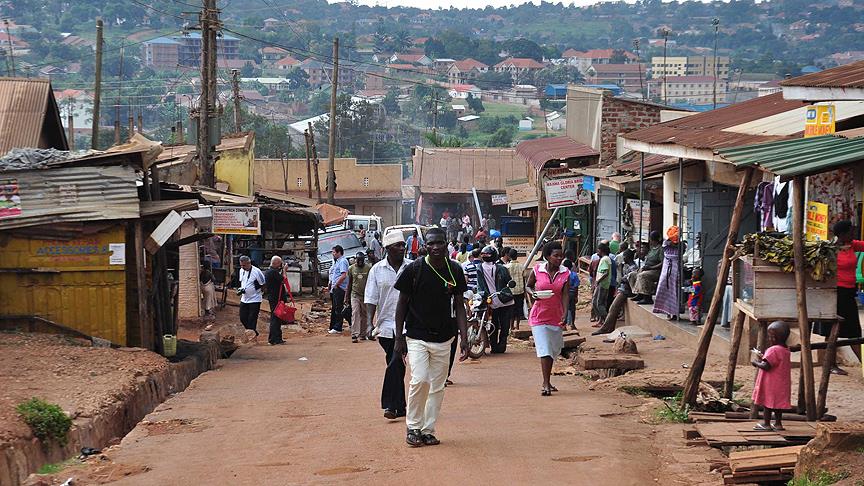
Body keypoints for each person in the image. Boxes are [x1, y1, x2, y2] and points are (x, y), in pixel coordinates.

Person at [394, 227, 469, 447]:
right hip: (416, 335)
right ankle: (413, 427)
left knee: (437, 386)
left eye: (440, 243)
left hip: (445, 338)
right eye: (431, 243)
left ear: (447, 244)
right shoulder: (414, 270)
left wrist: (464, 338)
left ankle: (427, 430)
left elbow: (459, 305)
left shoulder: (454, 270)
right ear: (424, 246)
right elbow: (401, 305)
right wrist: (398, 337)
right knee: (420, 380)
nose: (435, 247)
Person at [365, 232, 410, 420]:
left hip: (408, 326)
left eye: (403, 245)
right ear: (387, 249)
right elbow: (371, 298)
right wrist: (369, 323)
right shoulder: (376, 270)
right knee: (395, 362)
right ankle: (401, 405)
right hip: (384, 326)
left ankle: (390, 405)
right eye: (397, 245)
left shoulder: (411, 267)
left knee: (395, 360)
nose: (402, 248)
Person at [816, 220, 864, 374]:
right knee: (832, 331)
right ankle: (830, 365)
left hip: (849, 293)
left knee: (854, 331)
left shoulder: (852, 245)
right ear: (842, 234)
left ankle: (863, 364)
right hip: (835, 293)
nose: (853, 234)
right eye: (850, 232)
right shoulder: (830, 249)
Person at [525, 241, 570, 396]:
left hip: (556, 316)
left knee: (553, 349)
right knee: (544, 348)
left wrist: (565, 312)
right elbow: (528, 285)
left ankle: (548, 380)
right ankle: (545, 383)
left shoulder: (565, 273)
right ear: (547, 256)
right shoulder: (538, 270)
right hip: (539, 315)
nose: (559, 258)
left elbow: (565, 294)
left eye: (561, 256)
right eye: (556, 256)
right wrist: (532, 294)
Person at [751, 321, 792, 431]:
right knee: (778, 405)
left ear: (774, 337)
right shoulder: (786, 349)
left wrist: (756, 363)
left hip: (771, 383)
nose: (769, 339)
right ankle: (778, 424)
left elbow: (766, 366)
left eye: (770, 336)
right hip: (781, 383)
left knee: (767, 403)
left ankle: (766, 424)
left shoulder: (773, 350)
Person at [476, 246, 514, 354]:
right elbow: (509, 280)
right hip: (503, 300)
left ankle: (494, 346)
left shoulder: (479, 267)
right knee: (504, 325)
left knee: (494, 324)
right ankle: (501, 346)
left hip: (491, 300)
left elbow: (480, 285)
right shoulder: (502, 268)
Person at [652, 227, 681, 319]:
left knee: (675, 291)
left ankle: (675, 313)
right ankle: (667, 312)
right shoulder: (666, 243)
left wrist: (677, 243)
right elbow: (670, 244)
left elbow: (679, 247)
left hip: (675, 269)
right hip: (667, 268)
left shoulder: (681, 245)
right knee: (664, 288)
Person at [237, 255, 266, 340]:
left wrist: (260, 292)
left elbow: (263, 283)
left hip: (255, 299)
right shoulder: (241, 270)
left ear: (249, 263)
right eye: (241, 265)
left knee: (252, 318)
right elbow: (243, 282)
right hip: (244, 298)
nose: (242, 267)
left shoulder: (257, 271)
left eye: (244, 265)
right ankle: (253, 332)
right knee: (242, 317)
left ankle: (251, 336)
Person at [632, 231, 664, 305]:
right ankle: (639, 293)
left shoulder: (660, 249)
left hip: (656, 270)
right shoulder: (652, 249)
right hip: (648, 268)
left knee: (643, 275)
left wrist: (651, 267)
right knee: (633, 274)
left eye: (651, 239)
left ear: (654, 240)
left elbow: (662, 263)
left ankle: (647, 297)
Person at [347, 252, 371, 343]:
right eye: (358, 260)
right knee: (355, 313)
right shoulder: (351, 268)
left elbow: (371, 282)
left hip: (365, 295)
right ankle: (354, 334)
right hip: (355, 294)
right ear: (356, 260)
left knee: (364, 314)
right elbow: (350, 283)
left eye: (361, 261)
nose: (360, 262)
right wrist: (346, 296)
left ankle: (363, 334)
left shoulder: (368, 268)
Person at [263, 256, 288, 345]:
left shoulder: (269, 272)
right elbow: (284, 280)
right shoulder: (273, 272)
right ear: (277, 263)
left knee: (277, 318)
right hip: (276, 298)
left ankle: (277, 338)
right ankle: (273, 339)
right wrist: (284, 270)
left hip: (274, 297)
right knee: (276, 318)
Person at [327, 245, 349, 335]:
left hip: (340, 288)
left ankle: (338, 327)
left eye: (334, 252)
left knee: (338, 308)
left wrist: (336, 285)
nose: (333, 254)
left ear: (339, 252)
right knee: (335, 307)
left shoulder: (343, 261)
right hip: (335, 288)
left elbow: (343, 275)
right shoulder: (337, 261)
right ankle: (334, 326)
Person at [504, 248, 525, 331]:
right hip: (520, 291)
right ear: (517, 256)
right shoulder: (521, 266)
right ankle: (517, 326)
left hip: (510, 291)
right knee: (519, 309)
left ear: (509, 256)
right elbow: (524, 278)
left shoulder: (506, 267)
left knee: (511, 309)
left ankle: (511, 326)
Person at [592, 242, 612, 325]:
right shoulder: (605, 259)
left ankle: (607, 321)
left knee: (598, 303)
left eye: (598, 250)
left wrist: (598, 281)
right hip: (603, 283)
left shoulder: (605, 259)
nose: (597, 252)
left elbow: (605, 273)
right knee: (597, 302)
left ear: (601, 250)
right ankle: (601, 320)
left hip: (602, 284)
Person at [562, 260, 580, 330]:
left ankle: (564, 325)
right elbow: (576, 286)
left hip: (564, 294)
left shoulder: (562, 274)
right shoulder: (574, 275)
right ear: (571, 266)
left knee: (564, 309)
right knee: (572, 309)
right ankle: (572, 324)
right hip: (572, 293)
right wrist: (576, 296)